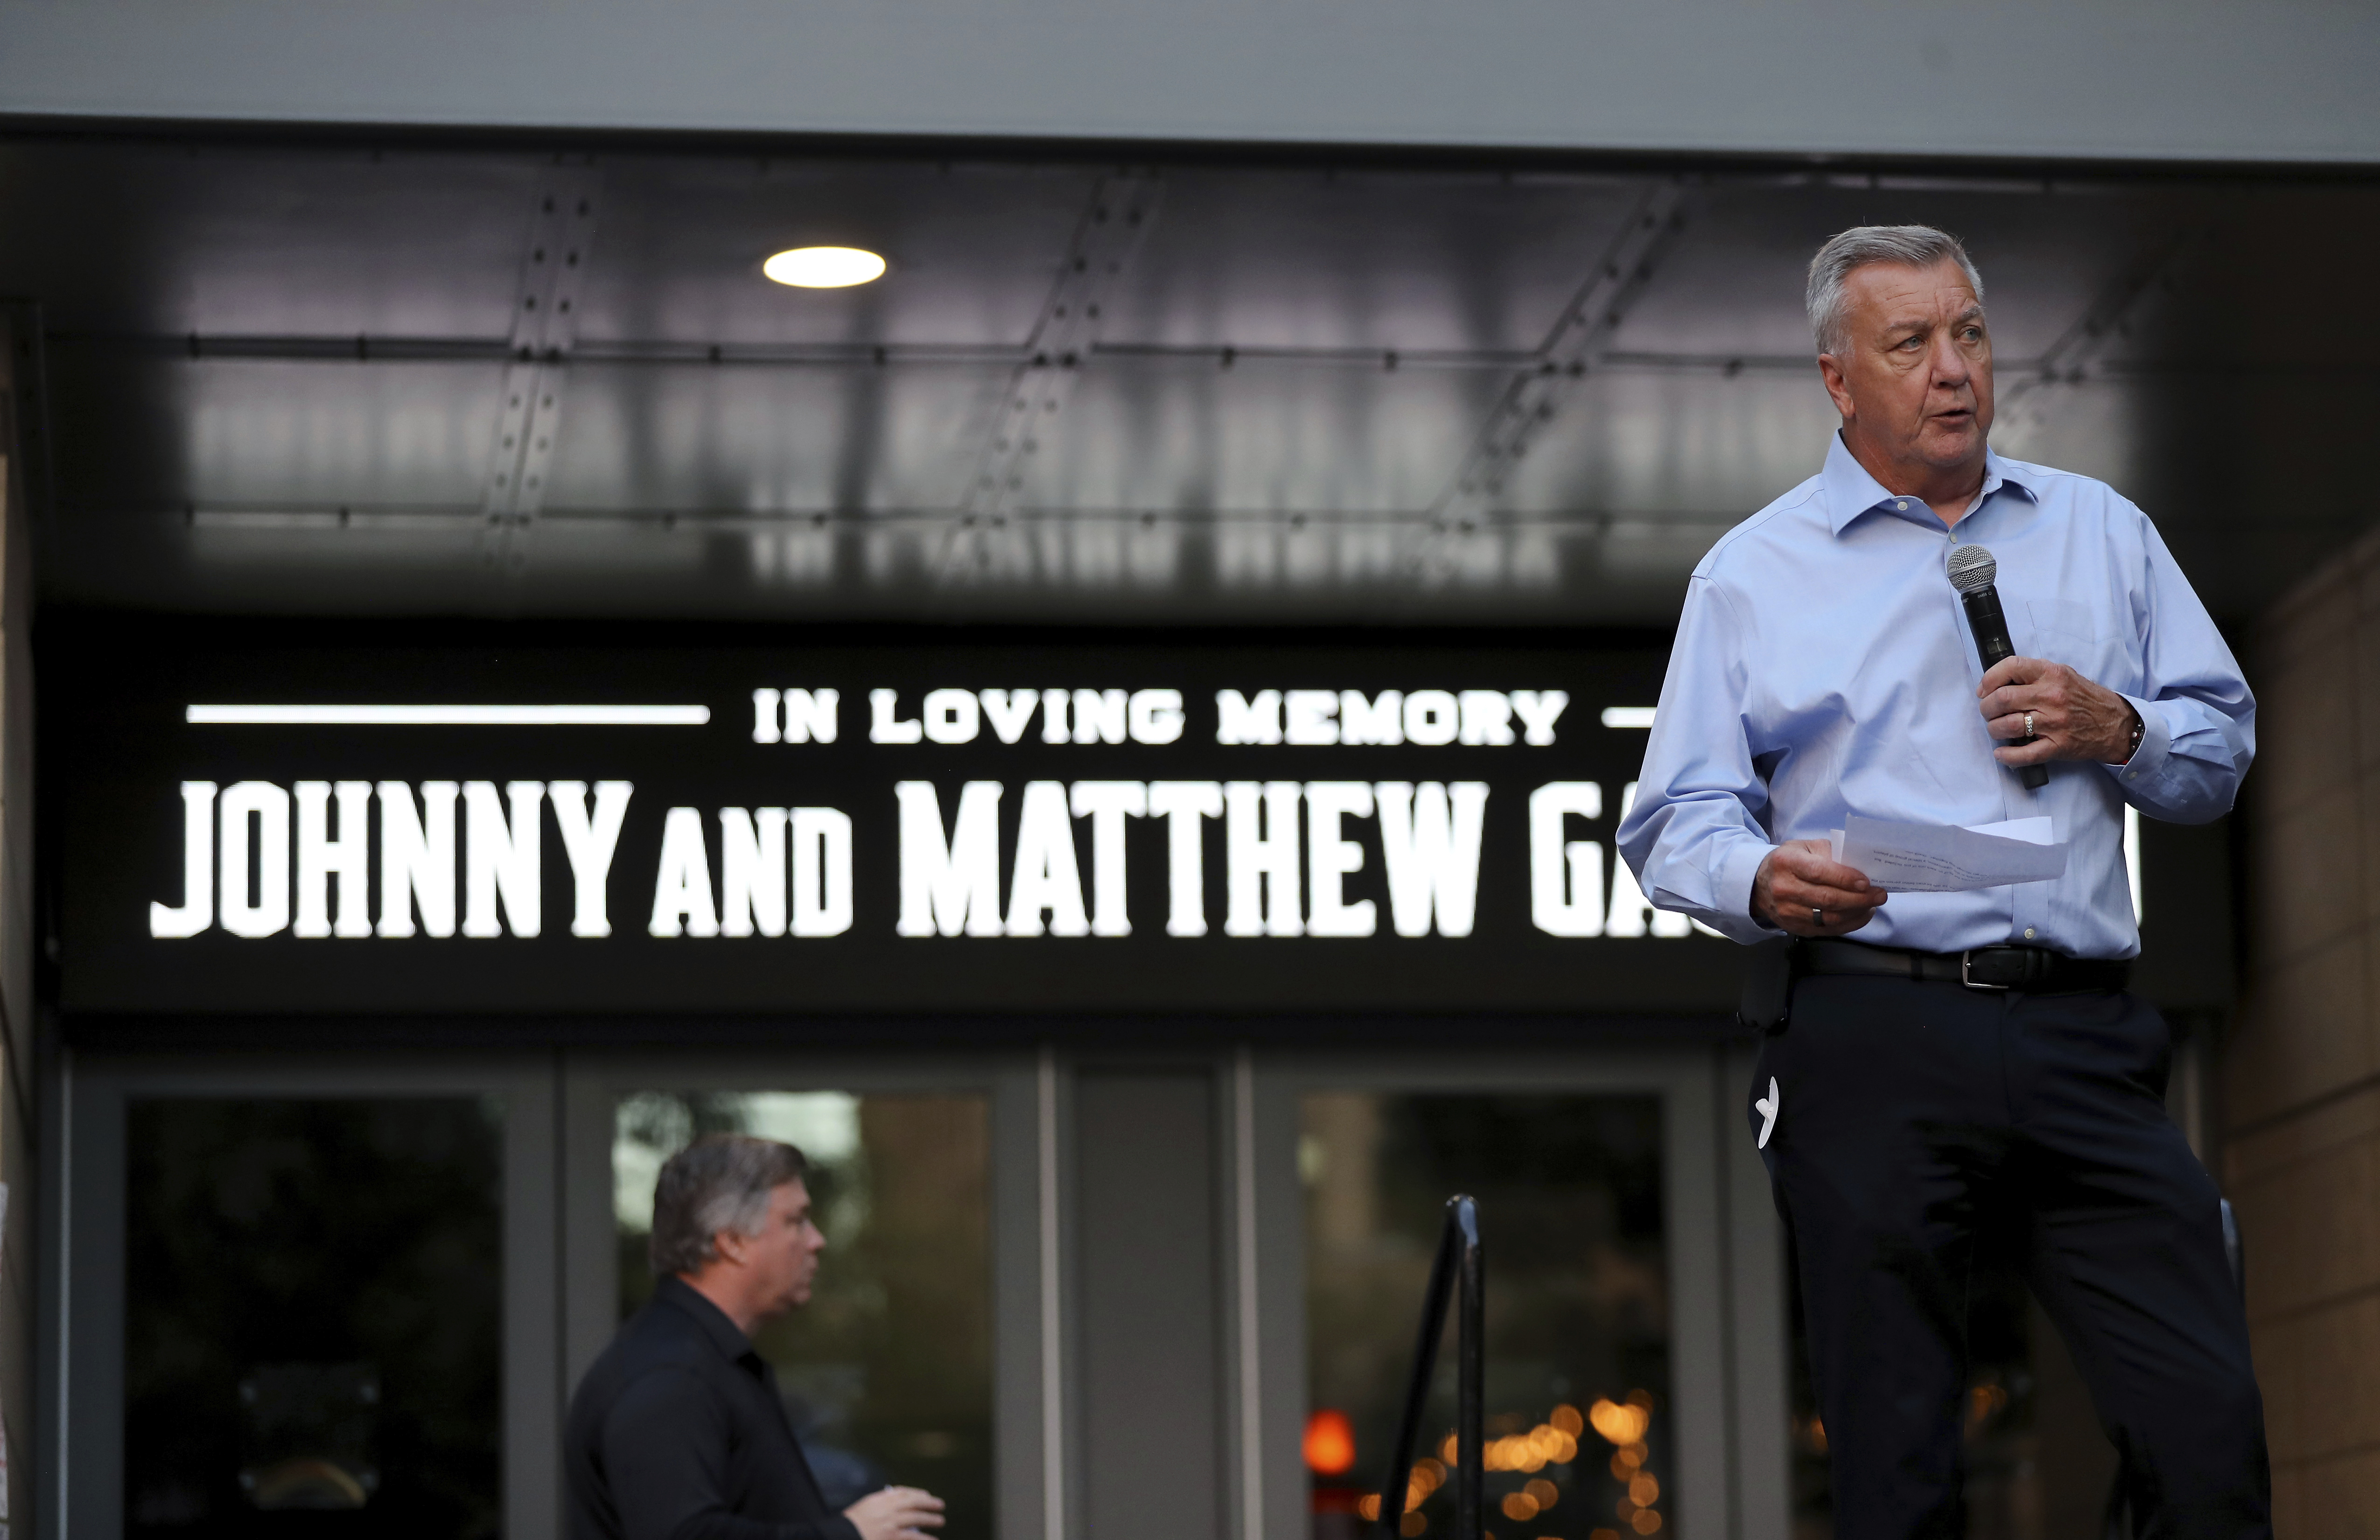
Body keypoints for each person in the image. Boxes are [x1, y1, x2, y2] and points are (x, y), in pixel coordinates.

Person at [1616, 225, 2268, 1536]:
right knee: (1896, 1462)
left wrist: (2118, 725)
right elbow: (1670, 818)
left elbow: (2220, 750)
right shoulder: (1751, 572)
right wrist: (1759, 877)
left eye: (1966, 332)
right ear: (1836, 380)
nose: (1951, 369)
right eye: (1907, 343)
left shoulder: (2102, 529)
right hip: (1871, 1026)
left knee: (2205, 1439)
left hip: (2083, 1031)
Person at [566, 1134, 947, 1540]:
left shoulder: (700, 1360)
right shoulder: (672, 1376)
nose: (816, 1240)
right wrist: (846, 1535)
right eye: (795, 1221)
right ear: (732, 1242)